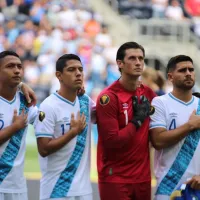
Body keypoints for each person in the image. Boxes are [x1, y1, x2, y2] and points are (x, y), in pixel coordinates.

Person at [96, 42, 156, 200]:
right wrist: (137, 121)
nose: (138, 62)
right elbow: (112, 141)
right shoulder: (108, 97)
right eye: (132, 58)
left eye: (141, 58)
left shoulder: (148, 93)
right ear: (120, 64)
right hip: (115, 178)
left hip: (142, 178)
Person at [34, 54, 95, 200]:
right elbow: (43, 149)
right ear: (59, 75)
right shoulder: (49, 106)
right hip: (56, 189)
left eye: (80, 69)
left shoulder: (85, 101)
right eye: (72, 69)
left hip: (84, 190)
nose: (78, 73)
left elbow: (106, 115)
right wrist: (73, 132)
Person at [149, 55, 200, 200]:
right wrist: (190, 125)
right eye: (183, 70)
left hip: (198, 186)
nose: (188, 73)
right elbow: (157, 141)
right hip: (168, 187)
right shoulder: (160, 103)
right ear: (170, 77)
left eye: (191, 69)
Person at [0, 50, 38, 200]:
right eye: (10, 66)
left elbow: (50, 122)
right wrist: (14, 127)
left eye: (19, 66)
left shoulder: (26, 103)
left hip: (17, 188)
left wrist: (74, 93)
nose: (16, 70)